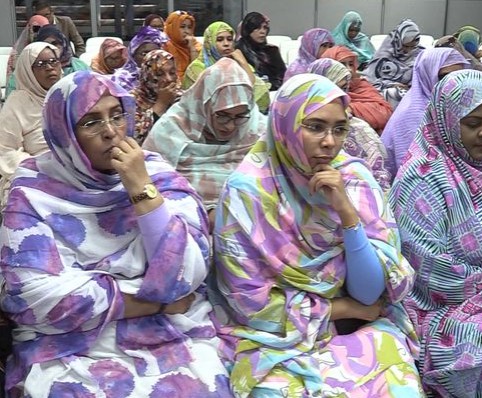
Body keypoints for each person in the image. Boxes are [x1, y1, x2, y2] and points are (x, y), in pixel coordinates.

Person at [0, 70, 233, 397]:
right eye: (91, 122)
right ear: (65, 133)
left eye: (117, 115)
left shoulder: (158, 176)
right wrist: (157, 303)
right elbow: (32, 298)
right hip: (68, 346)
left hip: (168, 335)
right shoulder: (34, 191)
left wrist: (140, 188)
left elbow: (185, 274)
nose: (111, 132)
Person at [211, 73, 423, 397]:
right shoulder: (248, 193)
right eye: (315, 127)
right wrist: (345, 309)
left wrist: (347, 212)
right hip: (276, 338)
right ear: (284, 125)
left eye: (339, 129)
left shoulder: (353, 178)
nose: (330, 142)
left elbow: (370, 294)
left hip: (358, 327)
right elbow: (249, 303)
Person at [390, 69, 482, 397]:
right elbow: (427, 270)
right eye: (472, 124)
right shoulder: (423, 178)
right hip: (436, 306)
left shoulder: (476, 167)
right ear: (447, 121)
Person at [143, 57, 266, 230]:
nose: (230, 126)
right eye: (222, 115)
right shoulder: (172, 130)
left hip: (250, 225)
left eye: (240, 116)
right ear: (204, 106)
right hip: (185, 226)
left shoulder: (258, 130)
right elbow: (148, 185)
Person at [381, 47, 468, 179]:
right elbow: (413, 173)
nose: (454, 84)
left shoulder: (445, 106)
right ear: (427, 76)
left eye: (459, 77)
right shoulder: (415, 115)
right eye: (444, 77)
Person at [308, 58, 392, 190]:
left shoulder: (358, 128)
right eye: (333, 87)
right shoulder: (298, 126)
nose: (339, 94)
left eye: (343, 88)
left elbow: (380, 179)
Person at [0, 42, 62, 209]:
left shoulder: (67, 94)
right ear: (28, 70)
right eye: (41, 64)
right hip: (35, 173)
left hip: (72, 169)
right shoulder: (17, 103)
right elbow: (6, 150)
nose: (50, 68)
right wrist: (41, 167)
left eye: (53, 61)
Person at [182, 21, 270, 113]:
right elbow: (217, 99)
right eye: (220, 40)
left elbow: (253, 87)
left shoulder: (235, 62)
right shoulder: (197, 68)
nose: (226, 44)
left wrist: (243, 63)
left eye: (229, 39)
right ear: (209, 43)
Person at [321, 45, 393, 133]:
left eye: (351, 64)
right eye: (342, 64)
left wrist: (352, 108)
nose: (349, 69)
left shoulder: (360, 84)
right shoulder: (321, 91)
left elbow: (385, 112)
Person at [364, 19, 423, 110]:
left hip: (411, 93)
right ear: (398, 40)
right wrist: (391, 84)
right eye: (405, 46)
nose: (408, 50)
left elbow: (424, 80)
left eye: (412, 47)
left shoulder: (421, 55)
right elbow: (370, 79)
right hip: (382, 90)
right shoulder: (385, 53)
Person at [132, 49, 182, 145]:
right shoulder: (134, 100)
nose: (169, 79)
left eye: (172, 73)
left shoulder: (182, 97)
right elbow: (137, 139)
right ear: (147, 75)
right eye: (159, 74)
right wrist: (161, 103)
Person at [236, 11, 286, 91]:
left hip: (273, 92)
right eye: (257, 28)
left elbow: (282, 76)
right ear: (249, 29)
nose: (263, 32)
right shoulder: (238, 51)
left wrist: (268, 87)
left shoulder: (272, 51)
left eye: (265, 28)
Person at [111, 26, 165, 91]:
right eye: (144, 54)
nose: (151, 57)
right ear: (133, 56)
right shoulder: (121, 79)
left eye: (156, 53)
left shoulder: (166, 76)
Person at [5, 14, 49, 91]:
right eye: (36, 28)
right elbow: (13, 76)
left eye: (44, 28)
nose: (38, 32)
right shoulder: (18, 51)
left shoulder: (50, 49)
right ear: (29, 28)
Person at [163, 10, 202, 81]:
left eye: (189, 27)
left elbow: (198, 74)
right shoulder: (164, 47)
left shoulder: (196, 45)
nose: (186, 31)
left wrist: (192, 49)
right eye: (182, 27)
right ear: (172, 27)